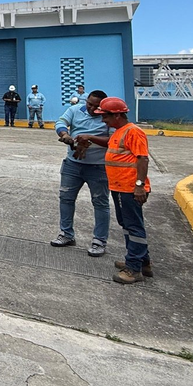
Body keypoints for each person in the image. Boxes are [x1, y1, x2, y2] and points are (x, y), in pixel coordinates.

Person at [76, 96, 152, 284]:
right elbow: (109, 145)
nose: (103, 120)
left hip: (130, 188)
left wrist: (139, 186)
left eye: (106, 116)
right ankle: (142, 261)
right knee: (127, 224)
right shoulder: (119, 131)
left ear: (117, 115)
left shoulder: (133, 132)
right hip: (119, 188)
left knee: (133, 226)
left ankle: (134, 269)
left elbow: (143, 159)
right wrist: (90, 138)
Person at [51, 90, 111, 257]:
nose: (91, 109)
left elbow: (113, 140)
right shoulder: (75, 110)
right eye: (89, 104)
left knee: (100, 203)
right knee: (66, 198)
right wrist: (65, 134)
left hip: (98, 167)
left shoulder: (108, 116)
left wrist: (89, 139)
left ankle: (99, 241)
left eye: (96, 107)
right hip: (73, 165)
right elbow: (61, 122)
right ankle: (66, 234)